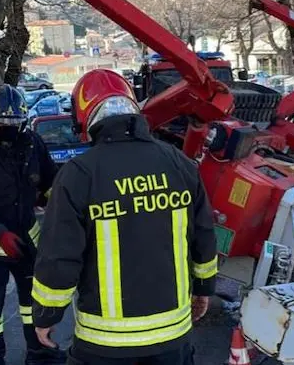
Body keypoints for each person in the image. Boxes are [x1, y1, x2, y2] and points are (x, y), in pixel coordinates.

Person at [30, 70, 218, 364]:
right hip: (172, 340)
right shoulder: (178, 163)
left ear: (84, 118)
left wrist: (46, 315)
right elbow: (205, 236)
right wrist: (204, 290)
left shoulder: (79, 174)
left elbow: (58, 255)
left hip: (103, 345)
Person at [0, 84, 66, 365]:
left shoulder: (32, 144)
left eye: (14, 122)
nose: (8, 127)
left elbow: (49, 182)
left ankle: (38, 352)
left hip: (26, 241)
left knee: (32, 303)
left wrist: (60, 209)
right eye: (2, 122)